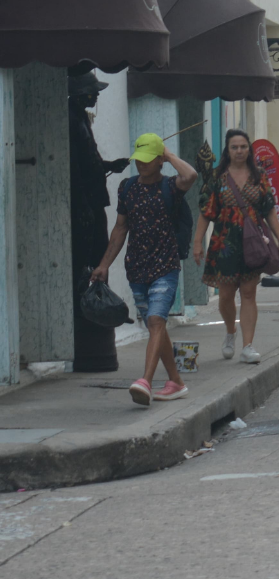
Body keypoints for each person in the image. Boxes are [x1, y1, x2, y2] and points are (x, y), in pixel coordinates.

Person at [91, 134, 198, 405]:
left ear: (159, 161)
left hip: (165, 266)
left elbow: (192, 175)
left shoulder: (171, 186)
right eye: (138, 159)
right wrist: (104, 265)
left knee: (155, 321)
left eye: (148, 160)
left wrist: (169, 154)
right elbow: (120, 228)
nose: (142, 165)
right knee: (156, 326)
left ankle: (146, 381)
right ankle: (176, 382)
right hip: (137, 268)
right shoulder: (127, 188)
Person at [193, 129, 279, 365]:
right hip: (224, 242)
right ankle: (230, 331)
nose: (239, 151)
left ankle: (248, 346)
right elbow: (206, 212)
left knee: (248, 293)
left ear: (249, 149)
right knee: (225, 296)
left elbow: (269, 210)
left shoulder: (259, 177)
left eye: (243, 147)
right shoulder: (217, 177)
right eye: (234, 147)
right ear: (228, 150)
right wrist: (197, 242)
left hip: (253, 242)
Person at [70, 70, 130, 372]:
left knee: (99, 256)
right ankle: (90, 309)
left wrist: (110, 165)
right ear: (82, 93)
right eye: (93, 91)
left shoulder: (80, 118)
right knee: (91, 260)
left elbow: (88, 162)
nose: (97, 95)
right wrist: (82, 206)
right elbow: (75, 169)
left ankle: (98, 304)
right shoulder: (71, 120)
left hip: (93, 202)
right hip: (86, 206)